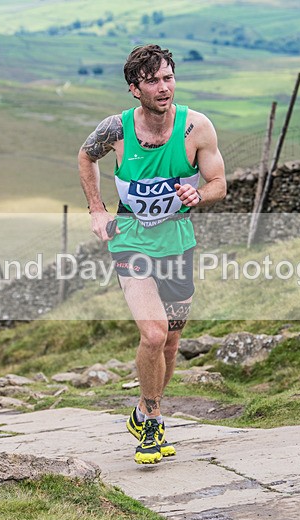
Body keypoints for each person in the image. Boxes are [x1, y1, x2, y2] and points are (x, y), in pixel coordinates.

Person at [77, 44, 226, 464]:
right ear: (134, 89)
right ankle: (153, 425)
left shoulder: (196, 128)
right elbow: (86, 157)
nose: (164, 88)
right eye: (153, 81)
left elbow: (219, 182)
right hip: (130, 240)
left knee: (171, 344)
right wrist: (95, 208)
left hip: (177, 242)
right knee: (154, 333)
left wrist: (199, 192)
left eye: (168, 78)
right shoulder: (117, 130)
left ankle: (143, 407)